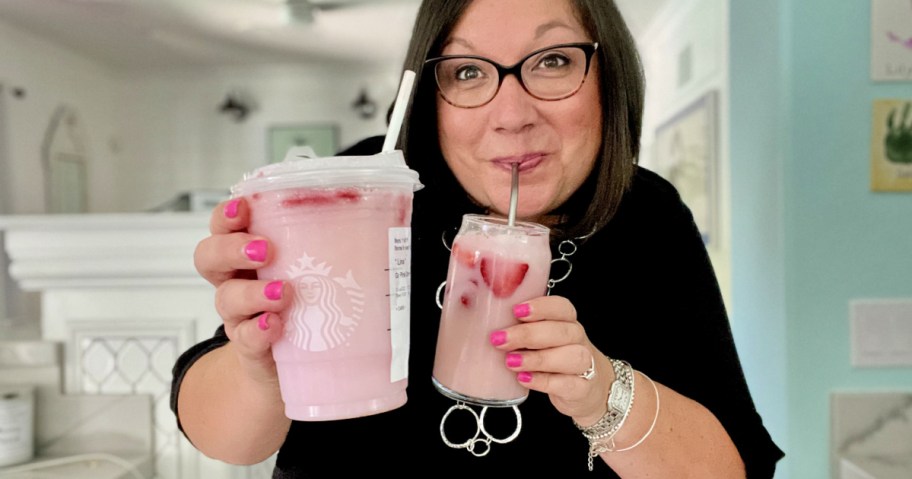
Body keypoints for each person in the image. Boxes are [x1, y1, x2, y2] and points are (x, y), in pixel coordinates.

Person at [171, 0, 784, 476]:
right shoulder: (353, 197)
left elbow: (734, 468)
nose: (512, 113)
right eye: (467, 71)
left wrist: (601, 392)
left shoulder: (646, 217)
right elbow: (228, 442)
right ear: (430, 96)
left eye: (553, 61)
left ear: (608, 77)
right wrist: (260, 365)